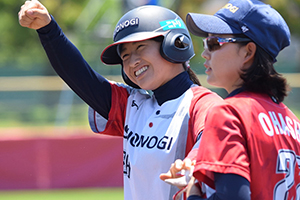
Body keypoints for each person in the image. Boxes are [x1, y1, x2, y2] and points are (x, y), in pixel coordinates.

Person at [18, 1, 223, 200]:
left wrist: (192, 161)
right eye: (125, 56)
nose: (132, 61)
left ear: (175, 44)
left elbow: (210, 138)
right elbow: (80, 76)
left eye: (141, 47)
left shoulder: (202, 103)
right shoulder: (132, 104)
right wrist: (48, 30)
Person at [160, 0, 300, 199]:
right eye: (205, 42)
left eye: (215, 42)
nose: (205, 53)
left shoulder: (229, 113)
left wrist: (193, 193)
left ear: (248, 52)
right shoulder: (292, 122)